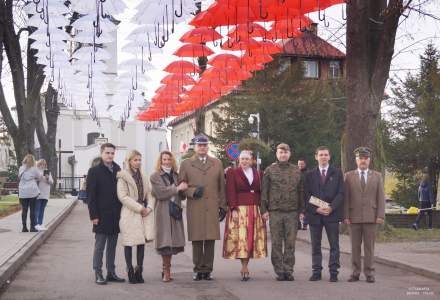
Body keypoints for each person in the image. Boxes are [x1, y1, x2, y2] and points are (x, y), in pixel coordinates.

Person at [179, 135, 227, 281]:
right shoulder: (186, 164)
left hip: (212, 206)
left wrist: (223, 206)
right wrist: (192, 192)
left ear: (208, 147)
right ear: (194, 147)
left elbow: (222, 187)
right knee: (197, 239)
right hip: (196, 206)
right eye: (200, 145)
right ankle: (198, 269)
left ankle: (208, 270)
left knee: (210, 239)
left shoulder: (217, 163)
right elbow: (181, 186)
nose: (202, 148)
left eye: (205, 145)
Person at [261, 143, 304, 281]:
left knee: (290, 243)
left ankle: (288, 270)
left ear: (289, 154)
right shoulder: (270, 170)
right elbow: (264, 192)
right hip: (275, 212)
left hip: (292, 212)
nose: (283, 155)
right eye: (280, 152)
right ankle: (279, 270)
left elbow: (301, 191)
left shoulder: (297, 170)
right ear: (277, 154)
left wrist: (302, 210)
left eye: (285, 152)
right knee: (276, 243)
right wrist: (264, 210)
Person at [223, 150, 267, 281]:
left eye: (247, 159)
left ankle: (246, 265)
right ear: (239, 160)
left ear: (252, 160)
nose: (244, 161)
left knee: (251, 239)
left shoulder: (259, 173)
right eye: (242, 159)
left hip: (255, 208)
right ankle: (244, 267)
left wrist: (263, 209)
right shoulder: (232, 172)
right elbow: (230, 190)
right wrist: (233, 208)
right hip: (240, 209)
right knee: (242, 239)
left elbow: (262, 192)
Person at [344, 147, 385, 283]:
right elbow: (346, 198)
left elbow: (381, 197)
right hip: (353, 217)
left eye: (365, 158)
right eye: (360, 158)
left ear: (369, 160)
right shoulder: (348, 176)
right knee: (354, 247)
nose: (363, 161)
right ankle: (355, 273)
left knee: (369, 247)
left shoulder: (377, 176)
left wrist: (380, 215)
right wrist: (346, 216)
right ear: (356, 160)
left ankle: (369, 273)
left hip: (371, 217)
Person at [304, 146, 344, 282]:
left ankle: (334, 272)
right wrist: (316, 209)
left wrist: (331, 208)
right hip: (315, 215)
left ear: (329, 157)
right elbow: (306, 195)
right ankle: (316, 271)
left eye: (326, 155)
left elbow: (341, 193)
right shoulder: (309, 175)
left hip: (332, 215)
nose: (323, 157)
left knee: (334, 245)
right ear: (316, 157)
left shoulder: (337, 173)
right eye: (321, 155)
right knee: (315, 245)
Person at [87, 143, 125, 285]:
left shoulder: (118, 170)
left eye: (112, 153)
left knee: (112, 246)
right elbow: (91, 196)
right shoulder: (94, 171)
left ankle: (111, 272)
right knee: (99, 246)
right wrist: (94, 216)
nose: (110, 155)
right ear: (102, 153)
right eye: (107, 153)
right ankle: (98, 272)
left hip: (115, 215)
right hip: (101, 215)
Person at [117, 150, 155, 284]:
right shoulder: (123, 176)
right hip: (130, 213)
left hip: (144, 214)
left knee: (141, 243)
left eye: (139, 160)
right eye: (135, 160)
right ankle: (130, 271)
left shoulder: (144, 176)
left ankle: (139, 271)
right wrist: (140, 208)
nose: (138, 162)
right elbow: (122, 196)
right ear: (129, 161)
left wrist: (149, 207)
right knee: (129, 243)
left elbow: (150, 193)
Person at [150, 151, 187, 282]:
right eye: (164, 159)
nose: (166, 162)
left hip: (175, 211)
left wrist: (183, 190)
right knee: (165, 242)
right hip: (163, 211)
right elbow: (160, 193)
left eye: (169, 159)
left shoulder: (176, 175)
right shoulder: (155, 176)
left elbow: (182, 195)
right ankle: (167, 270)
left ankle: (166, 268)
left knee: (172, 243)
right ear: (160, 161)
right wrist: (177, 188)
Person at [18, 154, 42, 232]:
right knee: (33, 210)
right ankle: (32, 227)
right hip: (32, 191)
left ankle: (24, 227)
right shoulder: (34, 169)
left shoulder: (21, 168)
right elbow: (39, 177)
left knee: (24, 210)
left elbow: (19, 177)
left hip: (23, 191)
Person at [35, 159, 53, 231]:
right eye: (41, 164)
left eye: (44, 164)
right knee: (37, 210)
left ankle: (40, 224)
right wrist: (40, 177)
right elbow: (34, 180)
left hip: (45, 193)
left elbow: (51, 182)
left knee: (42, 209)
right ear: (38, 164)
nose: (43, 165)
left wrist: (48, 178)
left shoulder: (47, 172)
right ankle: (36, 225)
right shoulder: (36, 171)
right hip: (38, 193)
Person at [297, 159, 309, 230]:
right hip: (297, 193)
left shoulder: (308, 173)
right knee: (297, 209)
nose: (300, 165)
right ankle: (298, 224)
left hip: (306, 193)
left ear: (305, 164)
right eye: (299, 164)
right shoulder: (295, 173)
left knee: (306, 209)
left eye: (302, 164)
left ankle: (305, 224)